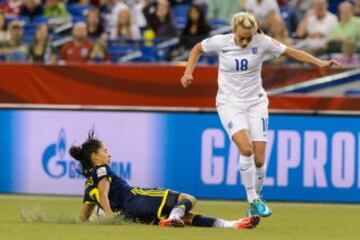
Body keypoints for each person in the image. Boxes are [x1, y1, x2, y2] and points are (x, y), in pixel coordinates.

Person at [180, 11, 339, 218]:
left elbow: (290, 52)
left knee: (259, 159)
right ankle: (252, 198)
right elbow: (197, 48)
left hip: (256, 102)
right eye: (241, 37)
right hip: (229, 103)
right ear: (233, 30)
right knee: (246, 150)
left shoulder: (262, 42)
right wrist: (188, 72)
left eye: (249, 36)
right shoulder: (221, 42)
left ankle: (256, 196)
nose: (245, 41)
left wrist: (319, 63)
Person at [70, 130, 260, 229]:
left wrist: (98, 218)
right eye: (105, 150)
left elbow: (82, 217)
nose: (108, 153)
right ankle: (174, 217)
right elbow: (104, 193)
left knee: (188, 219)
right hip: (138, 198)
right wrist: (110, 218)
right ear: (95, 156)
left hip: (133, 216)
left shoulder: (88, 186)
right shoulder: (102, 169)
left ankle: (233, 225)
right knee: (188, 199)